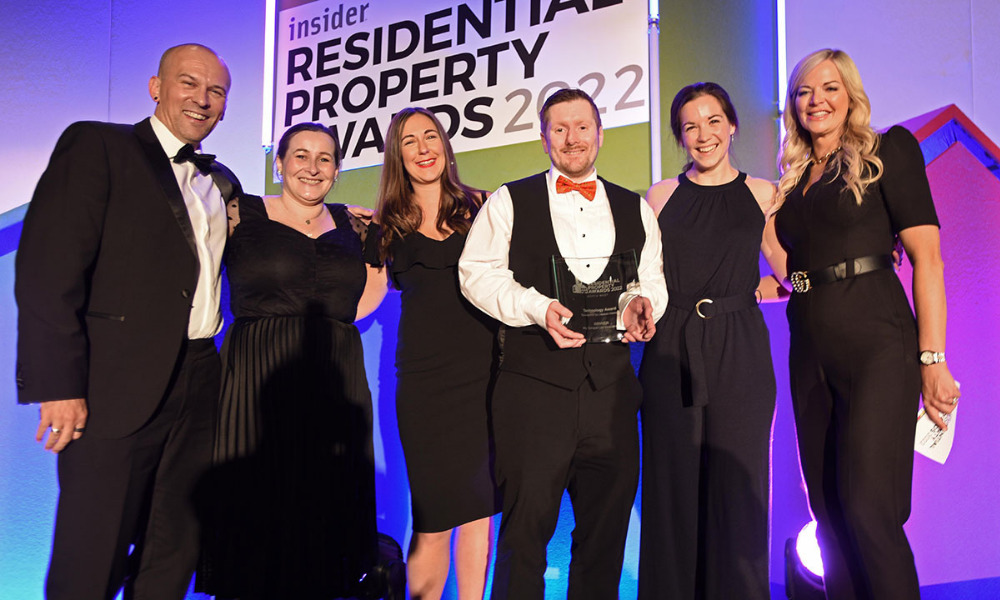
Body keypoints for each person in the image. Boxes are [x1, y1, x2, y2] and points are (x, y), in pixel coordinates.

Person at [14, 44, 240, 599]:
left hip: (200, 377)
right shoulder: (98, 145)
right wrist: (60, 386)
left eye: (216, 91)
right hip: (115, 383)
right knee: (93, 550)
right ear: (155, 87)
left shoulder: (222, 181)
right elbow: (49, 269)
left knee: (175, 542)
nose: (203, 99)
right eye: (189, 83)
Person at [458, 88, 668, 600]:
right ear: (544, 136)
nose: (572, 138)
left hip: (612, 393)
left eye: (581, 126)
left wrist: (638, 308)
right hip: (533, 391)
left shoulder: (634, 206)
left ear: (599, 132)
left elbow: (648, 281)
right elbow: (475, 274)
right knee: (526, 533)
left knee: (605, 533)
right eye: (559, 128)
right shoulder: (509, 200)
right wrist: (536, 307)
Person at [766, 48, 960, 600]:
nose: (815, 100)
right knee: (828, 515)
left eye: (829, 87)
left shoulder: (887, 151)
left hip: (878, 340)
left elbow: (929, 259)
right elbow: (792, 269)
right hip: (808, 347)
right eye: (804, 91)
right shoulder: (793, 180)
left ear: (849, 94)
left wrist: (933, 359)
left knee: (870, 510)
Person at [194, 122, 387, 599]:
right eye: (300, 155)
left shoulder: (358, 225)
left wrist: (328, 323)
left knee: (325, 509)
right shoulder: (240, 213)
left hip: (334, 374)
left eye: (324, 159)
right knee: (256, 506)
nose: (312, 167)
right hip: (257, 376)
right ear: (278, 164)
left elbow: (370, 293)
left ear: (337, 170)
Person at [638, 82, 783, 600]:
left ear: (732, 124)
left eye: (713, 120)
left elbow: (789, 267)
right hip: (672, 344)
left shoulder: (764, 192)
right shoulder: (661, 196)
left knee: (738, 485)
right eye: (691, 126)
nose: (704, 135)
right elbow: (643, 277)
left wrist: (766, 287)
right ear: (680, 135)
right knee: (671, 484)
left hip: (740, 342)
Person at [369, 107, 500, 600]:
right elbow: (363, 300)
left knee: (479, 515)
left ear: (446, 146)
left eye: (431, 137)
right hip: (425, 387)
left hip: (487, 378)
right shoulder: (384, 225)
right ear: (397, 157)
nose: (424, 148)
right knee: (433, 517)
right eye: (409, 142)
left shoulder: (486, 206)